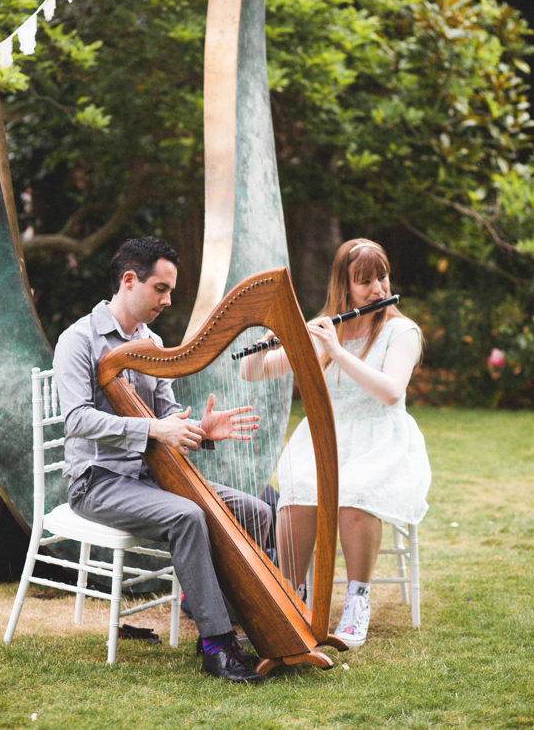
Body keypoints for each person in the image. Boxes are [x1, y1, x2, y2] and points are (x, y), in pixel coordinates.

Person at [53, 236, 271, 683]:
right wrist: (155, 429)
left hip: (151, 477)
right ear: (129, 280)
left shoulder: (152, 341)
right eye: (161, 288)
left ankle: (225, 612)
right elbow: (77, 419)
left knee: (257, 511)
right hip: (97, 481)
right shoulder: (78, 340)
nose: (168, 300)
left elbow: (166, 414)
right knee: (189, 517)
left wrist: (201, 430)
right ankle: (216, 643)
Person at [240, 238, 431, 649]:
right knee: (294, 498)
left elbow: (391, 393)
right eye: (366, 281)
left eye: (382, 277)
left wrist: (336, 351)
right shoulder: (325, 327)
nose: (378, 289)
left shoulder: (402, 332)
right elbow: (253, 373)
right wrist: (266, 334)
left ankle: (356, 602)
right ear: (344, 286)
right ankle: (293, 598)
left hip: (380, 438)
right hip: (323, 437)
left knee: (354, 498)